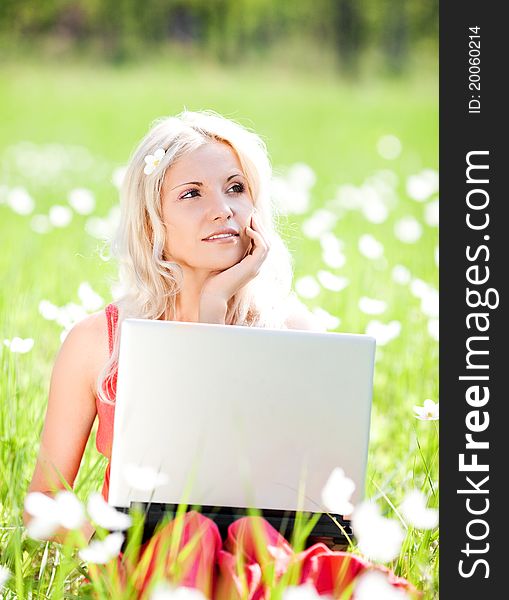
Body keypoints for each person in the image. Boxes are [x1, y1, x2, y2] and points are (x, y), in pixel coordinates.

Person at [24, 110, 416, 599]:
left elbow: (331, 498)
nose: (222, 209)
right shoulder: (97, 341)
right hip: (151, 556)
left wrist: (214, 304)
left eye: (235, 188)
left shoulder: (293, 332)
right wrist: (104, 544)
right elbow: (42, 501)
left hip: (266, 549)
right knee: (193, 535)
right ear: (151, 222)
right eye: (192, 194)